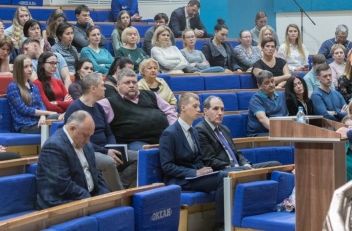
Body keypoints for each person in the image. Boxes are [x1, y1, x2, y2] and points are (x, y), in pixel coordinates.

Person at [159, 92, 227, 231]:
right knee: (223, 177)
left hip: (194, 177)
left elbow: (198, 159)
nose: (199, 110)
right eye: (195, 106)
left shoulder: (194, 131)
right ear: (183, 107)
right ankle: (220, 225)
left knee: (227, 174)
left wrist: (205, 170)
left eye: (199, 106)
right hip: (179, 180)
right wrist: (195, 172)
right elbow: (167, 166)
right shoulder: (169, 133)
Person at [65, 73, 137, 191]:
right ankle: (118, 195)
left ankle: (120, 186)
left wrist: (112, 147)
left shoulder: (98, 107)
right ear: (93, 88)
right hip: (87, 151)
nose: (105, 89)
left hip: (106, 148)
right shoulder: (75, 108)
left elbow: (109, 133)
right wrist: (106, 151)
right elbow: (78, 140)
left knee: (140, 157)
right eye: (102, 86)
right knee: (108, 162)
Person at [36, 110, 110, 209]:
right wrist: (92, 200)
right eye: (85, 135)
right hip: (62, 202)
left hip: (86, 198)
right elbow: (63, 186)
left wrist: (105, 195)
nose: (88, 140)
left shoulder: (86, 145)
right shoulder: (53, 146)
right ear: (72, 129)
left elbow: (96, 174)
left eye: (90, 136)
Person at [98, 69, 177, 150]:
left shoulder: (151, 95)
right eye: (127, 83)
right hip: (135, 143)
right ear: (118, 85)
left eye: (134, 82)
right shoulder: (109, 103)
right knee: (150, 152)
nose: (132, 85)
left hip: (164, 138)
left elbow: (170, 111)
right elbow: (92, 108)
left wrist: (172, 130)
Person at [196, 96, 281, 170]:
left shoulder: (224, 129)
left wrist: (245, 164)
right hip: (224, 170)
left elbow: (236, 152)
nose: (220, 113)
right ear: (206, 111)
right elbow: (209, 161)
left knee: (275, 165)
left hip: (239, 167)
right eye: (215, 109)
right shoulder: (201, 130)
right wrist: (234, 167)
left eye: (222, 109)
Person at [7, 55, 58, 133]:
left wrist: (43, 116)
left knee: (60, 118)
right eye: (26, 67)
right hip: (26, 126)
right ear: (18, 69)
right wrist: (47, 113)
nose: (30, 69)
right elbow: (24, 109)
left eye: (31, 66)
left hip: (40, 122)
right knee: (58, 125)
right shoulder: (13, 87)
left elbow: (41, 105)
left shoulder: (34, 86)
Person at [246, 71, 289, 136]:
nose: (271, 85)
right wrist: (280, 131)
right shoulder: (256, 99)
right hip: (260, 134)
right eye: (267, 83)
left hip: (281, 131)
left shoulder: (281, 96)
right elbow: (262, 118)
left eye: (272, 81)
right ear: (259, 86)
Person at [33, 52, 72, 117]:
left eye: (56, 63)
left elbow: (71, 103)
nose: (55, 66)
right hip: (50, 116)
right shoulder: (37, 83)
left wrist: (57, 102)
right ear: (42, 64)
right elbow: (49, 107)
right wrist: (64, 104)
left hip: (63, 114)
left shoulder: (58, 82)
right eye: (52, 63)